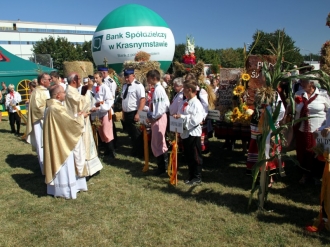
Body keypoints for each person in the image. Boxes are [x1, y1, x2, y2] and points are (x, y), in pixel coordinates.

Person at [44, 85, 87, 199]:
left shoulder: (51, 106)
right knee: (64, 165)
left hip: (58, 139)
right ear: (58, 95)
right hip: (61, 143)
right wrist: (81, 117)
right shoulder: (56, 108)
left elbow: (66, 120)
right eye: (63, 92)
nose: (65, 94)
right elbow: (70, 125)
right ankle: (65, 190)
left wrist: (76, 115)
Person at [294, 77, 330, 184]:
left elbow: (329, 111)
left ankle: (316, 176)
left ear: (312, 83)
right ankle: (305, 174)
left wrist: (327, 126)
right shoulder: (298, 94)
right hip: (302, 129)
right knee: (303, 152)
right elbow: (294, 110)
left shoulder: (323, 95)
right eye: (301, 81)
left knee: (316, 153)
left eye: (304, 81)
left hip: (318, 131)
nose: (301, 83)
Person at [173, 79, 204, 186]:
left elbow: (196, 120)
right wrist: (178, 118)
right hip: (185, 133)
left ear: (190, 90)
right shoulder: (185, 102)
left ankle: (197, 176)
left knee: (195, 156)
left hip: (193, 133)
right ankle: (191, 175)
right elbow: (181, 113)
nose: (183, 91)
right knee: (189, 155)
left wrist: (182, 118)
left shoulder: (197, 104)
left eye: (184, 89)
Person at [65, 73, 91, 177]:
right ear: (74, 81)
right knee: (79, 149)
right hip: (76, 122)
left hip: (79, 119)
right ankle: (80, 172)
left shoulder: (73, 90)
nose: (80, 81)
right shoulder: (70, 92)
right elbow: (83, 104)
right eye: (79, 79)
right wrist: (88, 90)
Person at [25, 73, 51, 173]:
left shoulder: (43, 91)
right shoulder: (38, 92)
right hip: (40, 122)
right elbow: (39, 110)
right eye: (48, 79)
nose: (50, 80)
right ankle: (45, 168)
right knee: (42, 144)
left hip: (46, 121)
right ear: (42, 81)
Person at [146, 70, 170, 175]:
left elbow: (160, 108)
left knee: (158, 142)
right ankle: (162, 166)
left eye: (148, 78)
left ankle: (162, 168)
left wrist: (153, 118)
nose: (147, 80)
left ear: (153, 78)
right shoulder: (156, 89)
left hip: (159, 118)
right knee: (158, 142)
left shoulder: (159, 90)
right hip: (157, 118)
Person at [91, 71, 116, 158]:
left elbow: (109, 100)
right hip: (98, 113)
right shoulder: (94, 88)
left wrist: (101, 107)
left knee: (106, 131)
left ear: (101, 77)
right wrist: (94, 106)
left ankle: (111, 152)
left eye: (97, 78)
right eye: (94, 78)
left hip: (105, 112)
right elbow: (94, 99)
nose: (95, 79)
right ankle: (106, 150)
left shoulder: (105, 87)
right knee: (101, 132)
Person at [121, 68, 146, 157]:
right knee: (131, 133)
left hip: (134, 112)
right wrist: (123, 113)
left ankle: (140, 152)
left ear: (133, 76)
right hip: (127, 113)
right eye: (125, 77)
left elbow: (142, 100)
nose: (126, 79)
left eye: (128, 77)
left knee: (137, 134)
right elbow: (123, 100)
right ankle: (134, 150)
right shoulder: (124, 86)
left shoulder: (138, 86)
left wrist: (138, 113)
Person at [98, 67, 118, 148]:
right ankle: (107, 144)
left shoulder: (110, 82)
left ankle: (113, 144)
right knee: (106, 127)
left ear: (103, 73)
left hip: (108, 105)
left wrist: (109, 104)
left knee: (109, 127)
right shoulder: (102, 82)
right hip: (103, 106)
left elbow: (111, 95)